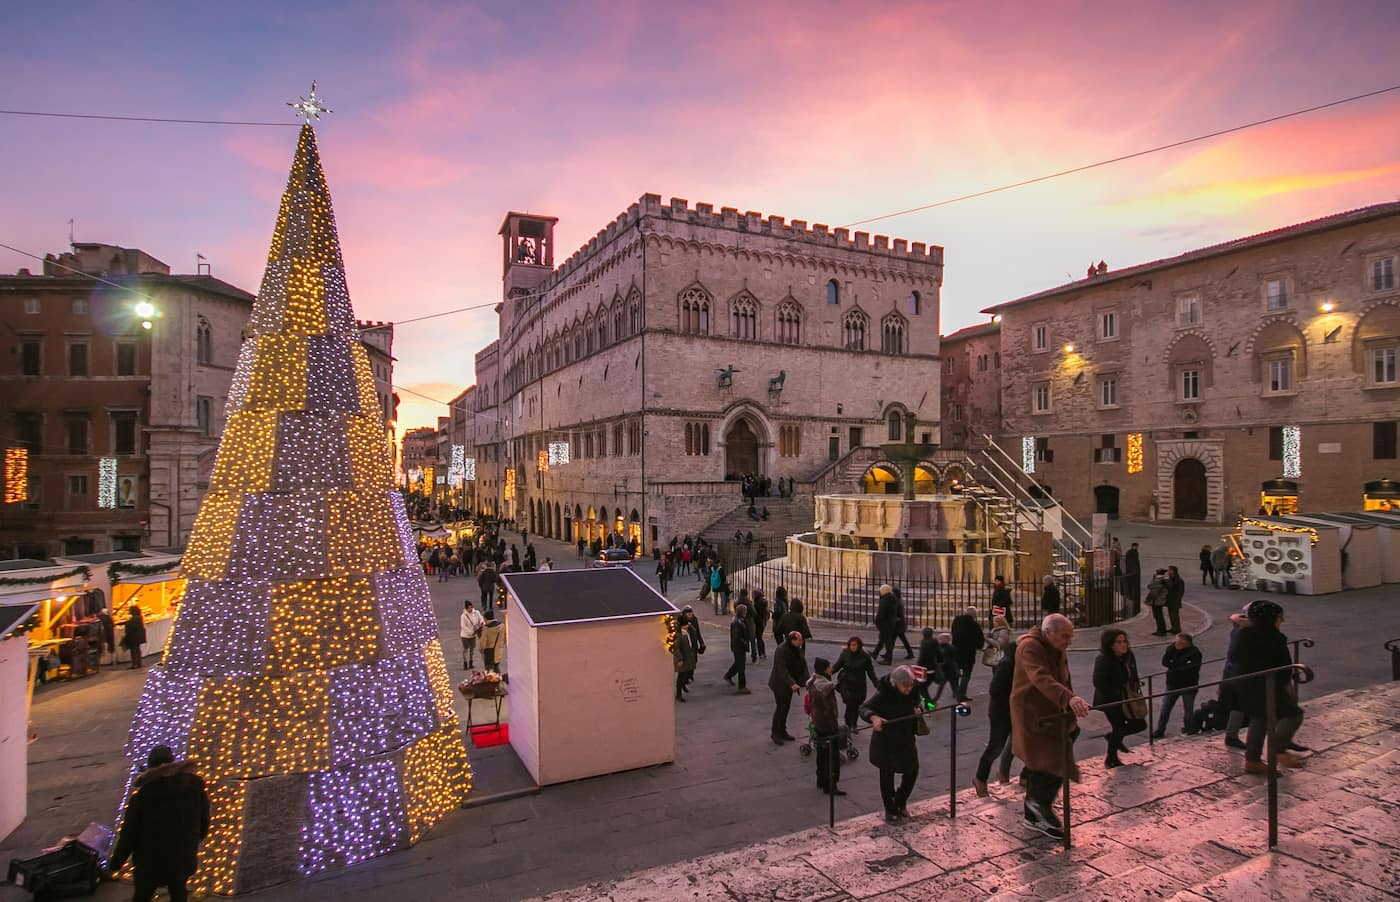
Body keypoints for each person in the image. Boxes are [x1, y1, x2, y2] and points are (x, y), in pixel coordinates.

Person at [1012, 613, 1091, 840]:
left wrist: (1070, 700)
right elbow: (1041, 677)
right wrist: (1069, 698)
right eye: (1065, 636)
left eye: (1071, 636)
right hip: (1034, 714)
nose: (1069, 641)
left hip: (1055, 711)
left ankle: (1034, 811)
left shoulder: (1056, 646)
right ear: (1049, 633)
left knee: (1058, 750)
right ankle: (1037, 803)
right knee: (1051, 757)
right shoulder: (1030, 647)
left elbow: (1063, 678)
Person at [109, 745, 211, 902]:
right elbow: (204, 822)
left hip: (150, 861)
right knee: (178, 893)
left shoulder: (142, 797)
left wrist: (117, 862)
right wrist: (193, 841)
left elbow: (129, 834)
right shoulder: (194, 788)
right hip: (182, 856)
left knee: (142, 896)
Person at [1233, 600, 1307, 773]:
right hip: (1265, 687)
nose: (1281, 621)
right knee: (1293, 715)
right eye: (1280, 617)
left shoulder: (1244, 633)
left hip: (1247, 685)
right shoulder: (1273, 638)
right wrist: (1286, 686)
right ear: (1270, 618)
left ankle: (1252, 761)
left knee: (1260, 719)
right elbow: (1281, 666)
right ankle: (1278, 750)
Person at [861, 664, 923, 823]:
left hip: (906, 738)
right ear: (896, 684)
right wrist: (873, 717)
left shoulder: (913, 689)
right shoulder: (884, 693)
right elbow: (865, 708)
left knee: (912, 771)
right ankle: (890, 810)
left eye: (911, 685)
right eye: (905, 686)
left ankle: (900, 801)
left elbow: (918, 701)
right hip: (886, 741)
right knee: (887, 776)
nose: (909, 689)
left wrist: (918, 708)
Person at [974, 630, 1018, 796]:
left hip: (1011, 709)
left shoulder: (1013, 663)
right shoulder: (1007, 664)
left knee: (1019, 741)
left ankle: (1008, 773)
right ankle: (980, 778)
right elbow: (995, 690)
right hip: (1001, 711)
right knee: (996, 746)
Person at [1092, 628, 1141, 769]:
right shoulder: (1103, 659)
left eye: (1124, 641)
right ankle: (1111, 758)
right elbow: (1098, 682)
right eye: (1119, 642)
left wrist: (1134, 688)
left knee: (1139, 724)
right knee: (1119, 727)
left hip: (1127, 698)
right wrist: (1117, 694)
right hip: (1110, 701)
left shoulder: (1128, 656)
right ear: (1110, 645)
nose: (1123, 645)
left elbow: (1133, 673)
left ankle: (1113, 738)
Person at [807, 657, 845, 796]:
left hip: (818, 722)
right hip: (827, 725)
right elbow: (830, 709)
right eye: (829, 666)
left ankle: (821, 779)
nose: (831, 668)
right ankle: (831, 785)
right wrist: (834, 726)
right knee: (832, 757)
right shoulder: (826, 687)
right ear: (824, 670)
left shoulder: (812, 682)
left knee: (821, 754)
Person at [1153, 633, 1203, 738]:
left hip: (1188, 685)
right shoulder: (1172, 648)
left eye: (1181, 643)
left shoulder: (1195, 653)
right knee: (1165, 708)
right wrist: (1180, 665)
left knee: (1188, 710)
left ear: (1187, 644)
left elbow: (1192, 669)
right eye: (1177, 642)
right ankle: (1160, 730)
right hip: (1172, 684)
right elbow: (1165, 661)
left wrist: (1175, 665)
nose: (1178, 645)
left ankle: (1189, 731)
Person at [833, 636, 880, 731]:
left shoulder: (865, 657)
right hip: (847, 683)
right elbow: (836, 666)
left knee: (858, 704)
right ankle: (848, 724)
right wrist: (826, 673)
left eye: (855, 645)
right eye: (851, 645)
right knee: (850, 704)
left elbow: (871, 672)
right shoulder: (845, 654)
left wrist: (877, 684)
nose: (853, 647)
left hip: (859, 684)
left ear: (859, 646)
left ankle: (854, 723)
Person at [769, 631, 809, 743]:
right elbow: (782, 670)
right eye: (799, 640)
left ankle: (782, 731)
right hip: (779, 684)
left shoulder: (797, 648)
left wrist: (809, 680)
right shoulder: (781, 650)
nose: (802, 642)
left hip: (789, 684)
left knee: (785, 708)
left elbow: (803, 664)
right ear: (792, 640)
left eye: (801, 639)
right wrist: (792, 683)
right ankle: (775, 733)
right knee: (781, 708)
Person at [950, 606, 985, 702]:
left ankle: (955, 691)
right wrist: (979, 646)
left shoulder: (956, 620)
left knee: (956, 672)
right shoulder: (975, 625)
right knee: (966, 674)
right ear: (974, 615)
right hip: (968, 652)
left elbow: (953, 632)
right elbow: (980, 641)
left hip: (956, 650)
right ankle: (961, 694)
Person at [724, 603, 752, 693]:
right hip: (739, 647)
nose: (746, 613)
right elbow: (737, 637)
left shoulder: (739, 620)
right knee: (741, 667)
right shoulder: (737, 622)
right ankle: (742, 686)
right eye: (745, 611)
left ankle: (728, 675)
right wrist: (744, 643)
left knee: (738, 663)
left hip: (738, 647)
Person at [673, 615, 697, 702]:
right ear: (682, 625)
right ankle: (678, 694)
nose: (688, 625)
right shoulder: (678, 635)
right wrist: (679, 659)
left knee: (686, 673)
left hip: (687, 657)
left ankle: (683, 686)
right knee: (681, 676)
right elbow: (676, 648)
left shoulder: (685, 631)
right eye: (686, 624)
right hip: (682, 658)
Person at [874, 584, 898, 664]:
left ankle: (888, 659)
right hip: (891, 623)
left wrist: (877, 621)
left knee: (888, 642)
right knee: (883, 639)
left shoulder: (885, 600)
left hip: (885, 623)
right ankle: (875, 653)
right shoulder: (892, 599)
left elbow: (881, 613)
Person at [459, 600, 485, 669]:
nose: (470, 609)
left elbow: (481, 618)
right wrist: (470, 632)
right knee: (465, 649)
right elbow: (463, 626)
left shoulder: (476, 613)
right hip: (465, 635)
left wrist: (482, 623)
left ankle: (471, 662)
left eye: (471, 607)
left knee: (472, 649)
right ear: (466, 608)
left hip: (473, 634)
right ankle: (465, 663)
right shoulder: (463, 616)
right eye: (469, 608)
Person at [1146, 568, 1170, 636]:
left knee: (1158, 616)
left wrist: (1153, 579)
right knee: (1159, 615)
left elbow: (1150, 586)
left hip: (1157, 600)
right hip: (1161, 599)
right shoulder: (1165, 579)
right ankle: (1162, 630)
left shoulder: (1158, 580)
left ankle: (1161, 630)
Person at [123, 605, 147, 669]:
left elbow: (130, 626)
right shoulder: (139, 618)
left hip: (134, 636)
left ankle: (135, 664)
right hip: (138, 636)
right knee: (137, 649)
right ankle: (138, 663)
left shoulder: (135, 619)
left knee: (134, 650)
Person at [1164, 565, 1186, 634]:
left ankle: (1177, 629)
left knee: (1175, 616)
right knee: (1171, 615)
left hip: (1175, 601)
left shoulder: (1178, 580)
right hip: (1170, 601)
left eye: (1170, 570)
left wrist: (1177, 600)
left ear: (1173, 571)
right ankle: (1173, 628)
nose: (1168, 571)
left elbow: (1180, 592)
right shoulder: (1171, 579)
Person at [750, 590, 769, 662]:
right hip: (762, 622)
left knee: (758, 638)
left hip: (757, 622)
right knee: (760, 637)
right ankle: (763, 653)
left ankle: (760, 653)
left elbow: (755, 613)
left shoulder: (756, 604)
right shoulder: (764, 602)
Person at [1123, 543, 1142, 613]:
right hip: (1132, 571)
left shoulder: (1133, 552)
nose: (1137, 547)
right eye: (1136, 546)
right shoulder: (1132, 552)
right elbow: (1132, 562)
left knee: (1132, 586)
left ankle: (1131, 597)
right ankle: (1131, 597)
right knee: (1131, 585)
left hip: (1132, 571)